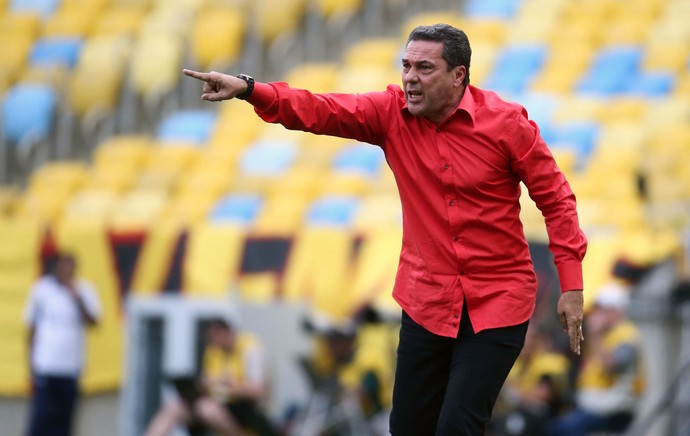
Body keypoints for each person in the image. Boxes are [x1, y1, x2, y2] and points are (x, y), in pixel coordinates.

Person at [183, 23, 588, 435]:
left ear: (458, 75)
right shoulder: (390, 114)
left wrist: (571, 285)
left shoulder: (507, 124)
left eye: (424, 68)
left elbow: (556, 198)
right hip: (426, 301)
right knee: (408, 428)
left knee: (457, 426)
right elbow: (321, 108)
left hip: (499, 302)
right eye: (406, 66)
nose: (410, 77)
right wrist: (252, 89)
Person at [144, 318, 276, 436]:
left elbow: (257, 391)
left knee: (206, 409)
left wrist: (225, 385)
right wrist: (201, 386)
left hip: (245, 409)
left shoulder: (251, 348)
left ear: (225, 332)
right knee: (174, 406)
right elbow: (210, 382)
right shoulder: (214, 350)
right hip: (218, 404)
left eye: (213, 338)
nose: (212, 343)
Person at [547, 283, 644, 435]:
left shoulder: (627, 336)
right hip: (593, 405)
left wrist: (595, 334)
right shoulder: (606, 333)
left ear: (614, 311)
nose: (595, 314)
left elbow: (611, 366)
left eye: (601, 310)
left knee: (564, 429)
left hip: (614, 409)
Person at [24, 253, 101, 436]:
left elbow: (93, 321)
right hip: (46, 365)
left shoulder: (84, 290)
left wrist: (77, 298)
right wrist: (29, 361)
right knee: (40, 418)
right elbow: (31, 328)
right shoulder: (42, 290)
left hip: (71, 366)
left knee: (65, 420)